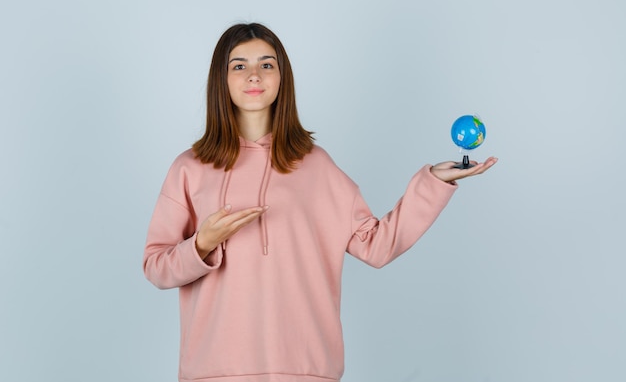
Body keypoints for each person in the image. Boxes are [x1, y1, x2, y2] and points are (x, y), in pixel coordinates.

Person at [143, 22, 497, 382]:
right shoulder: (190, 168)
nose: (254, 76)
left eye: (267, 64)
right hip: (213, 371)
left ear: (283, 77)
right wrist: (201, 244)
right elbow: (156, 266)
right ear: (222, 78)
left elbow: (376, 245)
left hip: (307, 370)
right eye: (239, 65)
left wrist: (433, 182)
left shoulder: (315, 165)